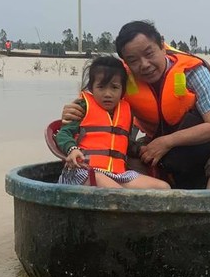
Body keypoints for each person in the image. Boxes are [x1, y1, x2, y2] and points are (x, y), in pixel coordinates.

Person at [61, 20, 210, 189]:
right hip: (155, 140)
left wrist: (167, 142)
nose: (144, 65)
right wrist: (73, 111)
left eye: (149, 53)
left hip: (202, 141)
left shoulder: (193, 72)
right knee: (132, 154)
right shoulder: (121, 79)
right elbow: (94, 108)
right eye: (133, 60)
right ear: (126, 62)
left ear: (162, 45)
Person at [55, 55, 171, 190]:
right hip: (83, 171)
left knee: (163, 188)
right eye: (101, 87)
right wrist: (72, 150)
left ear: (122, 91)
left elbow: (124, 143)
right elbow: (63, 134)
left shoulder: (125, 111)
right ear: (91, 88)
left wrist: (140, 149)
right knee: (116, 192)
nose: (108, 94)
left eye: (114, 87)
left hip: (117, 174)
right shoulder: (82, 107)